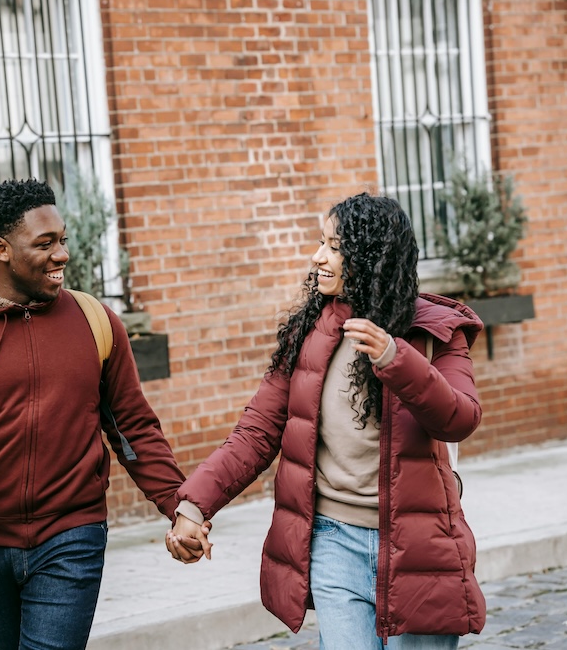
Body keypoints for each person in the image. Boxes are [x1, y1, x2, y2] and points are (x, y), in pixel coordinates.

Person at [0, 178, 197, 650]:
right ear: (1, 249)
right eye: (45, 244)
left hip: (72, 534)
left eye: (63, 240)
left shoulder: (96, 323)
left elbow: (134, 427)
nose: (62, 255)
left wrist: (180, 506)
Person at [166, 193, 487, 649]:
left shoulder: (436, 332)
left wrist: (397, 358)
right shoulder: (310, 333)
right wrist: (193, 507)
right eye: (322, 242)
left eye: (334, 246)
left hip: (418, 545)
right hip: (334, 543)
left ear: (370, 255)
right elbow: (256, 432)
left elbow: (459, 418)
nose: (318, 257)